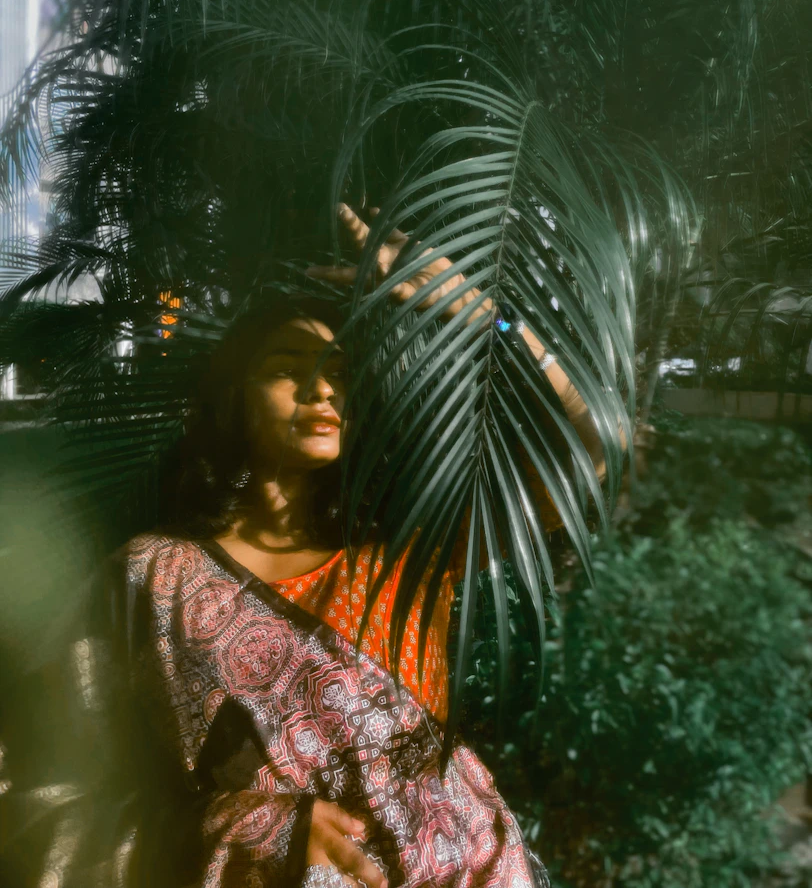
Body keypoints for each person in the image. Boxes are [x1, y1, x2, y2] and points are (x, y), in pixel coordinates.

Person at [27, 206, 608, 888]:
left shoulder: (405, 552)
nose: (324, 386)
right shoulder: (155, 575)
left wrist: (477, 310)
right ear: (234, 397)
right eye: (288, 366)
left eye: (341, 370)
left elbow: (592, 451)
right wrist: (254, 828)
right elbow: (50, 781)